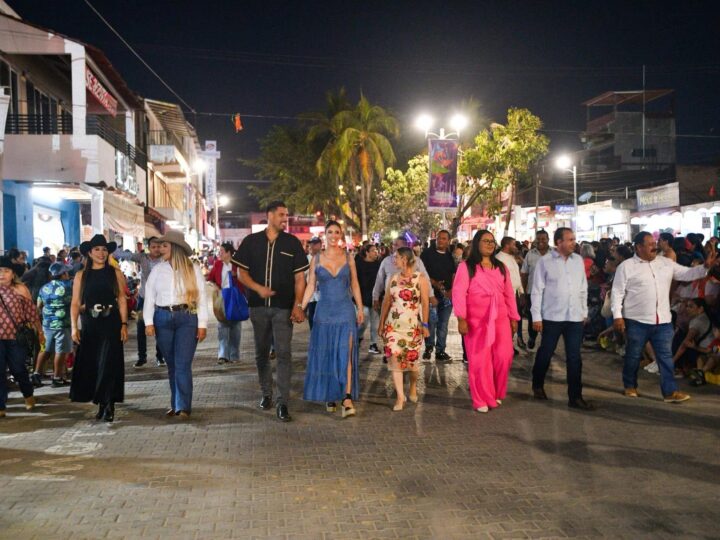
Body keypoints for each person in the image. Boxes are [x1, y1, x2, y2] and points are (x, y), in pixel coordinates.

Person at [612, 231, 715, 403]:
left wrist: (705, 267)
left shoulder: (666, 263)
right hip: (637, 320)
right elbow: (617, 293)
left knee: (666, 358)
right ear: (638, 247)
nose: (655, 246)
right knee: (633, 355)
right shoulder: (627, 267)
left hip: (663, 321)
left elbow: (687, 274)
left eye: (655, 243)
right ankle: (630, 385)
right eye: (650, 244)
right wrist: (617, 316)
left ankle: (670, 392)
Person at [234, 201, 307, 422]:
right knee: (261, 353)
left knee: (284, 354)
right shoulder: (251, 242)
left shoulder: (292, 243)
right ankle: (266, 393)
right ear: (270, 215)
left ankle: (282, 402)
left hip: (283, 308)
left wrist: (298, 304)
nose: (286, 219)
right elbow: (241, 273)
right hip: (257, 307)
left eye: (287, 215)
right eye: (282, 215)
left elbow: (300, 278)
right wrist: (258, 289)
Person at [301, 221, 363, 417]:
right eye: (330, 232)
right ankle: (330, 393)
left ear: (341, 235)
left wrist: (360, 308)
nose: (334, 235)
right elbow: (310, 286)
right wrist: (300, 308)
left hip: (345, 310)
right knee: (327, 354)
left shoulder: (349, 257)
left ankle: (346, 397)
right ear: (324, 235)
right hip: (324, 312)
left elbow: (354, 284)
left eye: (337, 232)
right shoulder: (316, 259)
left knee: (346, 353)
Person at [453, 231, 519, 413]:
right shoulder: (466, 267)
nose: (490, 244)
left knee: (504, 356)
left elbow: (509, 294)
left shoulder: (501, 267)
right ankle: (481, 398)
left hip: (501, 318)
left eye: (492, 241)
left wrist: (514, 317)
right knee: (480, 360)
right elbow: (458, 293)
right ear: (477, 243)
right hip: (477, 320)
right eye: (486, 241)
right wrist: (461, 318)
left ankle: (495, 392)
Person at [144, 231, 208, 419]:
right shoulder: (157, 270)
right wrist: (148, 322)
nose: (160, 248)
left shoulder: (192, 269)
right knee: (172, 364)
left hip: (187, 318)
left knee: (182, 363)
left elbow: (202, 297)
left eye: (165, 245)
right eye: (160, 245)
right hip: (162, 318)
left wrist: (202, 324)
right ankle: (176, 403)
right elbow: (149, 297)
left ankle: (183, 407)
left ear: (175, 248)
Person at [530, 227, 592, 410]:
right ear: (559, 242)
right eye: (570, 239)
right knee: (546, 352)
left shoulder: (578, 260)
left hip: (574, 317)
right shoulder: (545, 262)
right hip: (552, 316)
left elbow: (583, 288)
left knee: (574, 357)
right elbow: (537, 290)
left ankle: (575, 397)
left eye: (574, 239)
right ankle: (537, 383)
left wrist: (584, 312)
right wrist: (536, 316)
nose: (574, 242)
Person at [69, 235, 128, 422]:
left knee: (109, 362)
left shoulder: (115, 273)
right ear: (89, 253)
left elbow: (121, 300)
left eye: (104, 250)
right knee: (94, 363)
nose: (101, 253)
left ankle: (109, 402)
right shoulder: (81, 275)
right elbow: (76, 302)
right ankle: (100, 401)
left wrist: (124, 324)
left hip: (111, 322)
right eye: (97, 250)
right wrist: (74, 327)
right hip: (90, 324)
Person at [378, 247, 430, 411]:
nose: (394, 260)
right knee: (395, 360)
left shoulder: (419, 279)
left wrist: (425, 325)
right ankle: (400, 397)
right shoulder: (393, 278)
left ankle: (413, 385)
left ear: (405, 259)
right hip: (393, 326)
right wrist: (381, 325)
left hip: (413, 327)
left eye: (397, 257)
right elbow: (386, 302)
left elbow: (425, 303)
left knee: (412, 364)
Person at [0, 257, 42, 418]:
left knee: (19, 369)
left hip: (15, 338)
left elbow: (31, 312)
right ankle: (1, 405)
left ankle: (28, 394)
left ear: (12, 274)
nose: (2, 274)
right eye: (0, 271)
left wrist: (40, 331)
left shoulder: (20, 289)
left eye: (6, 271)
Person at [115, 237, 165, 368]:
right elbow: (127, 255)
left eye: (158, 247)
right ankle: (141, 357)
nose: (156, 249)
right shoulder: (142, 257)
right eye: (153, 247)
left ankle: (160, 357)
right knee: (140, 328)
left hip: (160, 299)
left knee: (160, 327)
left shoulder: (165, 258)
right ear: (149, 247)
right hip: (143, 298)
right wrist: (110, 250)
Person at [33, 262, 73, 388]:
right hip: (62, 324)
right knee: (60, 351)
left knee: (45, 349)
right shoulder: (68, 287)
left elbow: (38, 306)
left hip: (46, 324)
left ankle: (36, 375)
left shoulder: (44, 287)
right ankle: (57, 378)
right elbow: (74, 303)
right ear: (63, 274)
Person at [206, 242, 244, 365]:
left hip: (235, 297)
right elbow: (210, 279)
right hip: (222, 297)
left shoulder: (237, 265)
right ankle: (223, 355)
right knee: (222, 325)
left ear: (228, 253)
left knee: (235, 326)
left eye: (222, 251)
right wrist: (215, 286)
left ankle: (234, 355)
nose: (220, 253)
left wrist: (236, 275)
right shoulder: (217, 265)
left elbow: (246, 279)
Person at [421, 230, 455, 362]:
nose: (441, 241)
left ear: (448, 241)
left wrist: (451, 290)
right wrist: (434, 283)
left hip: (446, 295)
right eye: (439, 238)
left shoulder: (449, 256)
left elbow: (453, 273)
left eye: (444, 239)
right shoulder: (427, 254)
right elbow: (422, 273)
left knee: (443, 324)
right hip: (431, 295)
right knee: (431, 323)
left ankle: (441, 351)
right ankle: (428, 347)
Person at [520, 230, 550, 351]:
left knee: (549, 319)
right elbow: (524, 274)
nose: (540, 241)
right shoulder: (530, 254)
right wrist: (524, 292)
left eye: (543, 239)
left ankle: (547, 343)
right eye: (538, 239)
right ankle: (532, 337)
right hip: (533, 293)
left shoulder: (555, 253)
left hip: (551, 294)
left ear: (548, 239)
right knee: (533, 317)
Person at [495, 236, 525, 349]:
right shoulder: (499, 259)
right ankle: (505, 346)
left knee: (515, 320)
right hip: (506, 296)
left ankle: (509, 344)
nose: (515, 247)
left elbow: (517, 275)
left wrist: (521, 291)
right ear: (507, 245)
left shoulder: (512, 258)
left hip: (516, 294)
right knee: (507, 322)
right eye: (513, 244)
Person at [356, 244, 382, 355]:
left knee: (375, 322)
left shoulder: (379, 264)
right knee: (364, 320)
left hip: (375, 297)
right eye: (373, 250)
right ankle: (358, 336)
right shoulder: (359, 264)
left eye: (376, 250)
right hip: (362, 297)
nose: (376, 252)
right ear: (366, 252)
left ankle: (373, 344)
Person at [305, 237, 323, 329]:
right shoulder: (305, 259)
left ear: (320, 245)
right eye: (311, 243)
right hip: (311, 297)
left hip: (323, 296)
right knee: (312, 318)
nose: (313, 246)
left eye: (315, 244)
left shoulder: (324, 258)